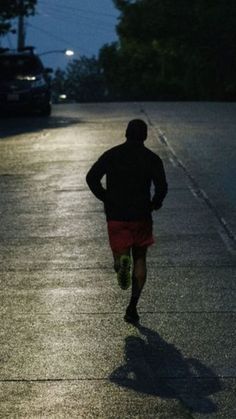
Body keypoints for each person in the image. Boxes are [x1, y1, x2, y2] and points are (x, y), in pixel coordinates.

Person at [86, 119, 168, 324]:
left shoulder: (111, 155)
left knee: (120, 251)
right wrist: (155, 203)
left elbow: (91, 177)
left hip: (116, 214)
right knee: (140, 257)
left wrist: (105, 196)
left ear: (126, 133)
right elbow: (162, 187)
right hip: (141, 215)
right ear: (145, 136)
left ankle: (120, 261)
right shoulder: (151, 158)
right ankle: (132, 306)